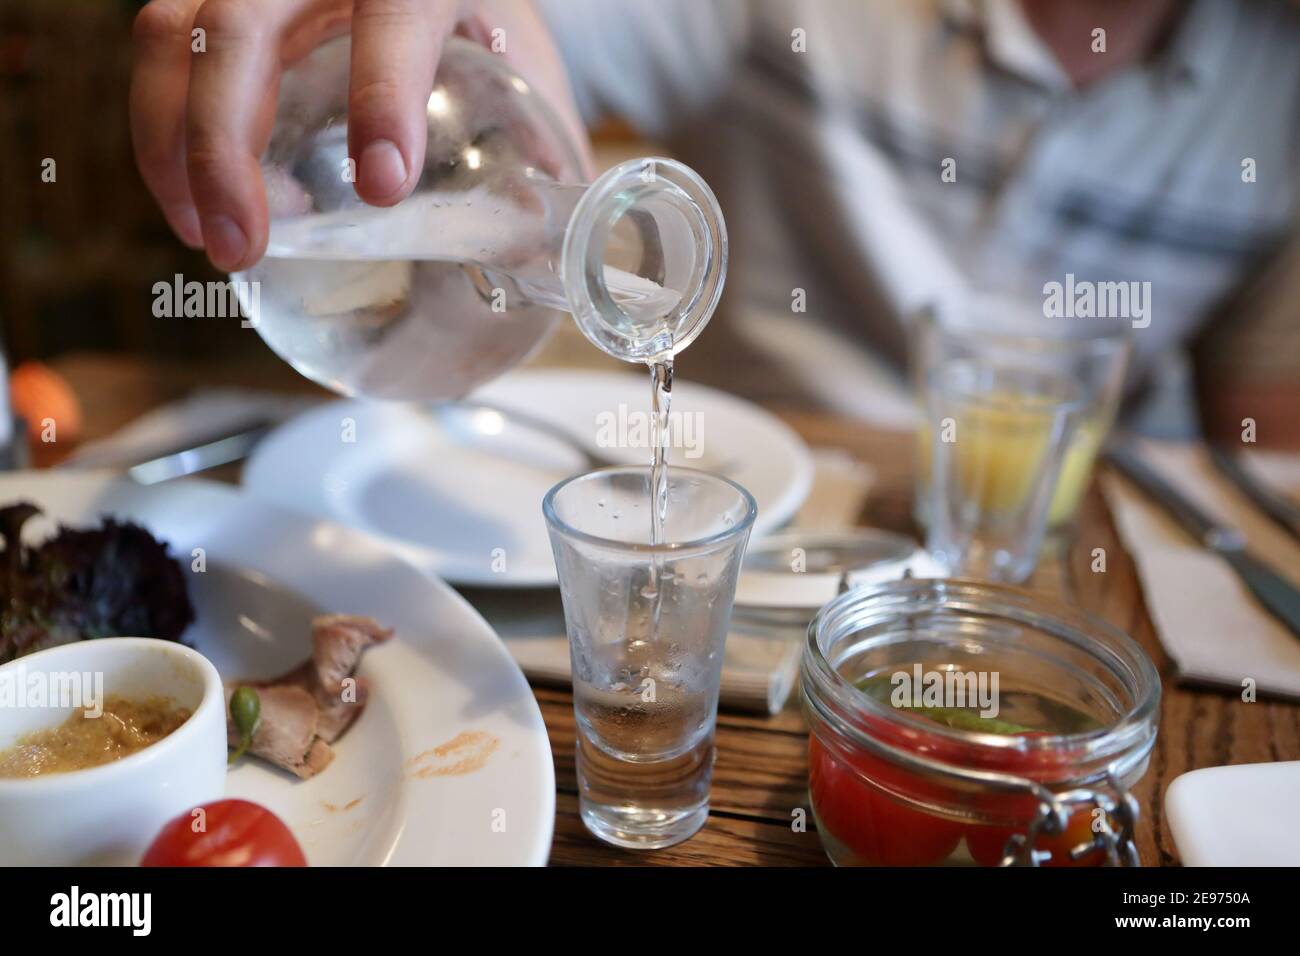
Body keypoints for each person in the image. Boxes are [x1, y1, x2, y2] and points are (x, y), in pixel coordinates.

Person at [129, 0, 1300, 434]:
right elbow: (514, 27)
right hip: (770, 526)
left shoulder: (1283, 88)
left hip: (1069, 562)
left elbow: (1271, 457)